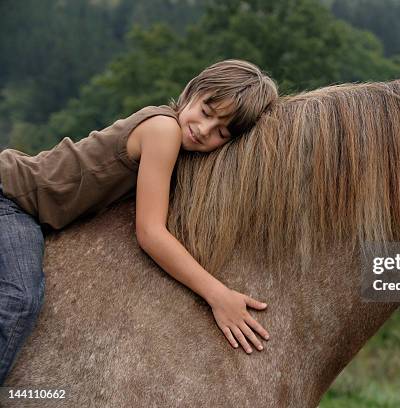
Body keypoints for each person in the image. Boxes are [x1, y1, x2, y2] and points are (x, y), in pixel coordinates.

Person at [0, 59, 278, 384]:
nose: (204, 129)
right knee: (20, 298)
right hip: (10, 198)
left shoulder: (174, 142)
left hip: (24, 205)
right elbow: (150, 233)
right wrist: (218, 295)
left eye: (221, 131)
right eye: (206, 111)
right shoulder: (164, 129)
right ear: (191, 91)